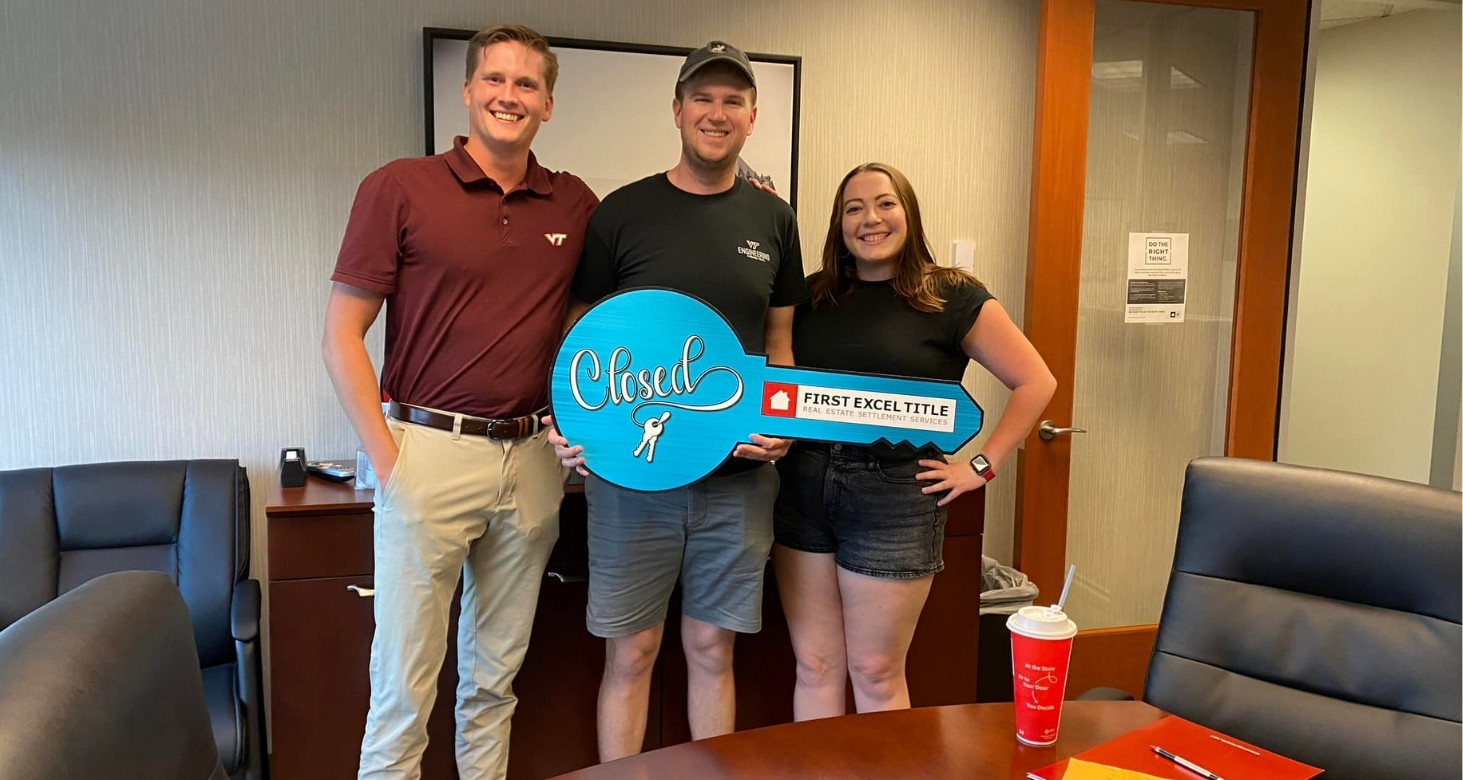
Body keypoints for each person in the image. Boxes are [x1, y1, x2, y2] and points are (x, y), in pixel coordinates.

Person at [321, 24, 598, 780]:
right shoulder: (399, 187)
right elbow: (341, 336)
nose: (510, 96)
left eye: (527, 85)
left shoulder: (573, 203)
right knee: (402, 690)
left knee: (493, 683)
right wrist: (390, 460)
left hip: (534, 463)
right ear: (470, 90)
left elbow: (593, 334)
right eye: (496, 80)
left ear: (548, 103)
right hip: (427, 453)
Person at [548, 40, 805, 761]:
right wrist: (571, 428)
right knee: (631, 654)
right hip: (633, 482)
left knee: (710, 649)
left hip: (737, 480)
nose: (715, 113)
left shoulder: (772, 221)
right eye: (702, 97)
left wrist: (779, 424)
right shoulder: (622, 213)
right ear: (676, 109)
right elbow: (580, 340)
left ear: (752, 118)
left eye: (731, 100)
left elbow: (779, 344)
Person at [773, 162, 1056, 720]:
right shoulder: (812, 295)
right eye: (853, 208)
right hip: (803, 486)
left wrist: (979, 465)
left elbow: (1036, 381)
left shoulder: (950, 295)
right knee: (816, 666)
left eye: (884, 203)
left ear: (908, 212)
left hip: (896, 498)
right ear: (839, 224)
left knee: (876, 673)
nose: (870, 218)